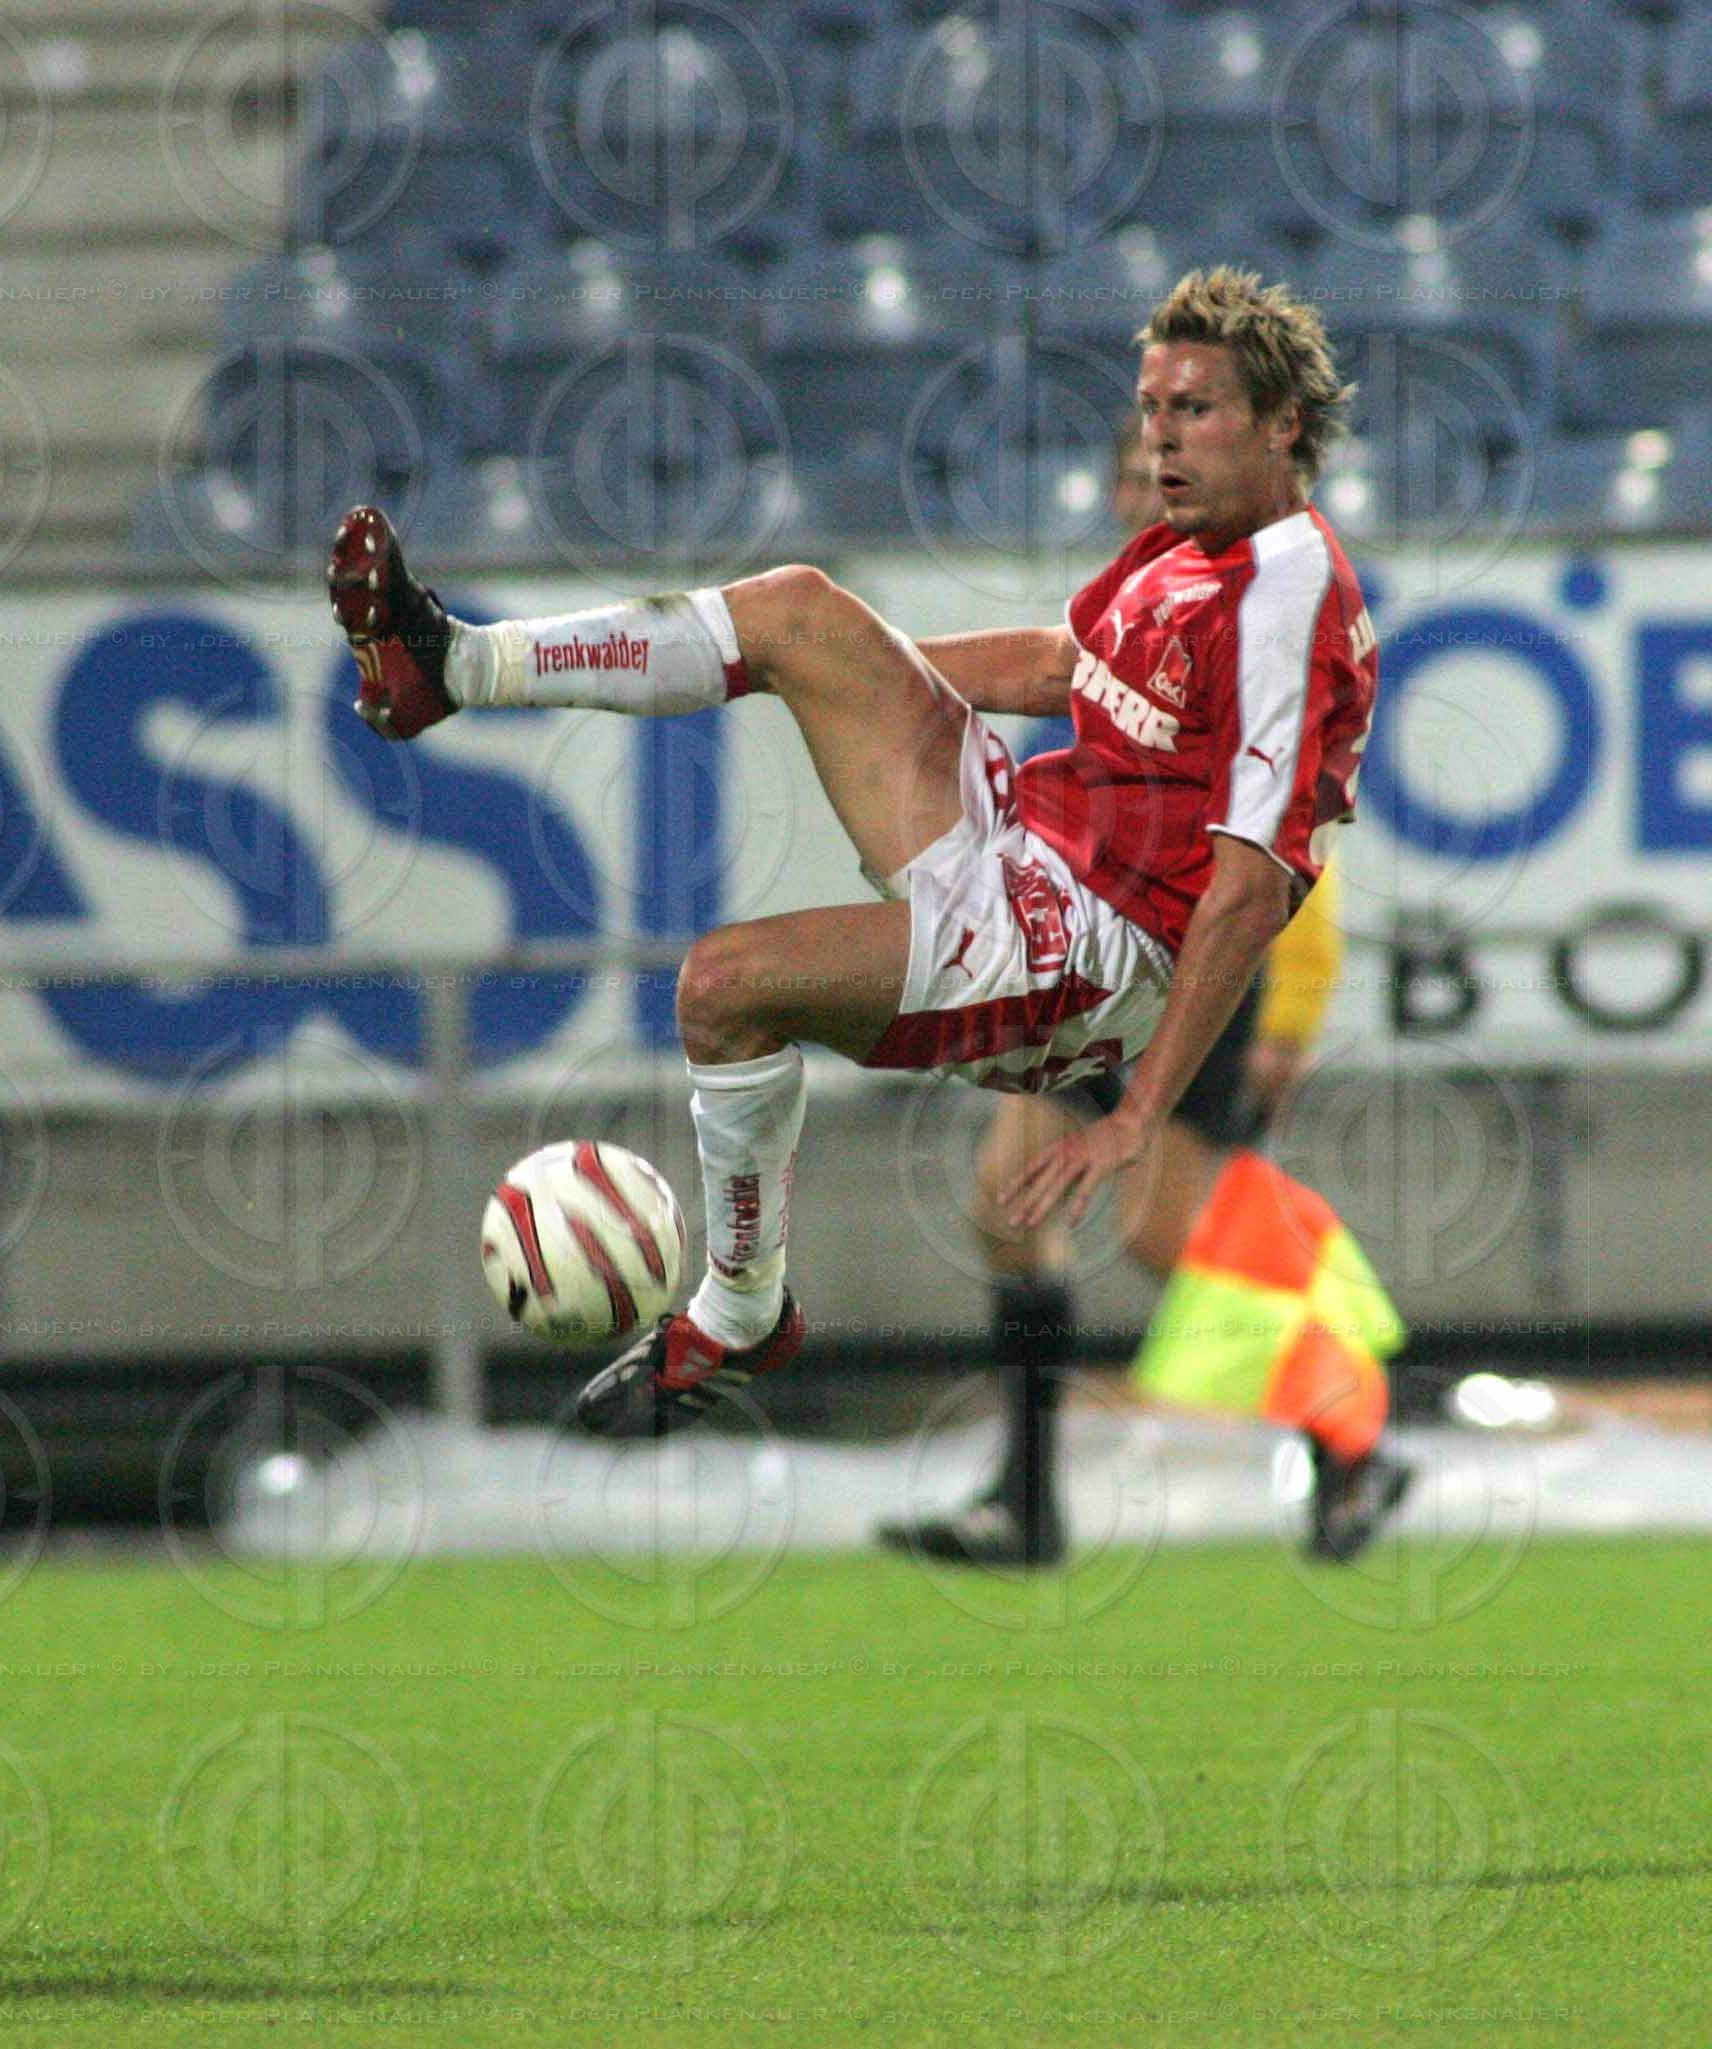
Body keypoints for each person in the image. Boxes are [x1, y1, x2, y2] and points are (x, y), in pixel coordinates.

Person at [329, 266, 1383, 1448]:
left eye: (1195, 410)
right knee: (796, 613)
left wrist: (1135, 1115)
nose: (1161, 439)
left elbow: (1247, 890)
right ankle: (452, 664)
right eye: (1152, 408)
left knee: (724, 992)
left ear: (1284, 423)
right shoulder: (1181, 553)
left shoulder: (1293, 593)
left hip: (1084, 954)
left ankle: (739, 1312)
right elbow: (1054, 669)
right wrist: (834, 669)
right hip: (1023, 850)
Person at [874, 423, 1411, 1570]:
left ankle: (1346, 1430)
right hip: (1103, 944)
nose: (1141, 494)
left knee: (1171, 1236)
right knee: (1012, 1201)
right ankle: (1027, 1500)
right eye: (1128, 475)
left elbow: (1293, 817)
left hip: (1203, 957)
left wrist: (1294, 1001)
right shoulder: (1126, 613)